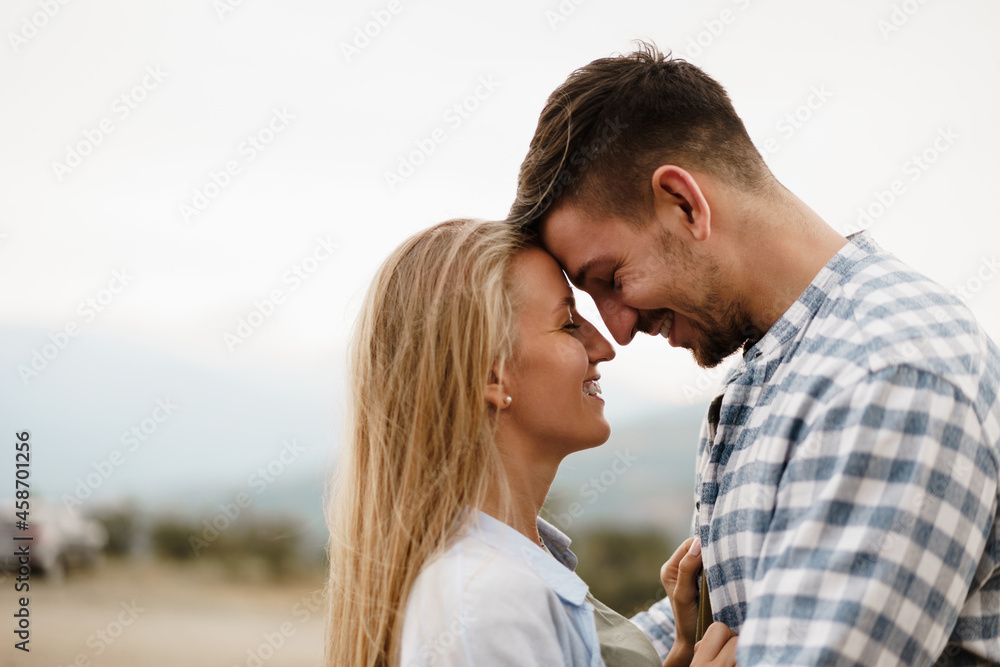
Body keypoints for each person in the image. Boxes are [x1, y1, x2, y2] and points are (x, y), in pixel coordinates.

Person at [508, 42, 1000, 665]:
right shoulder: (785, 367)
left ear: (685, 203)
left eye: (612, 278)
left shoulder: (887, 374)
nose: (618, 330)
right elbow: (747, 624)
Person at [324, 219, 738, 667]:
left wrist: (680, 653)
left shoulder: (504, 570)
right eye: (569, 324)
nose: (605, 346)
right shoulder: (491, 600)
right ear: (492, 375)